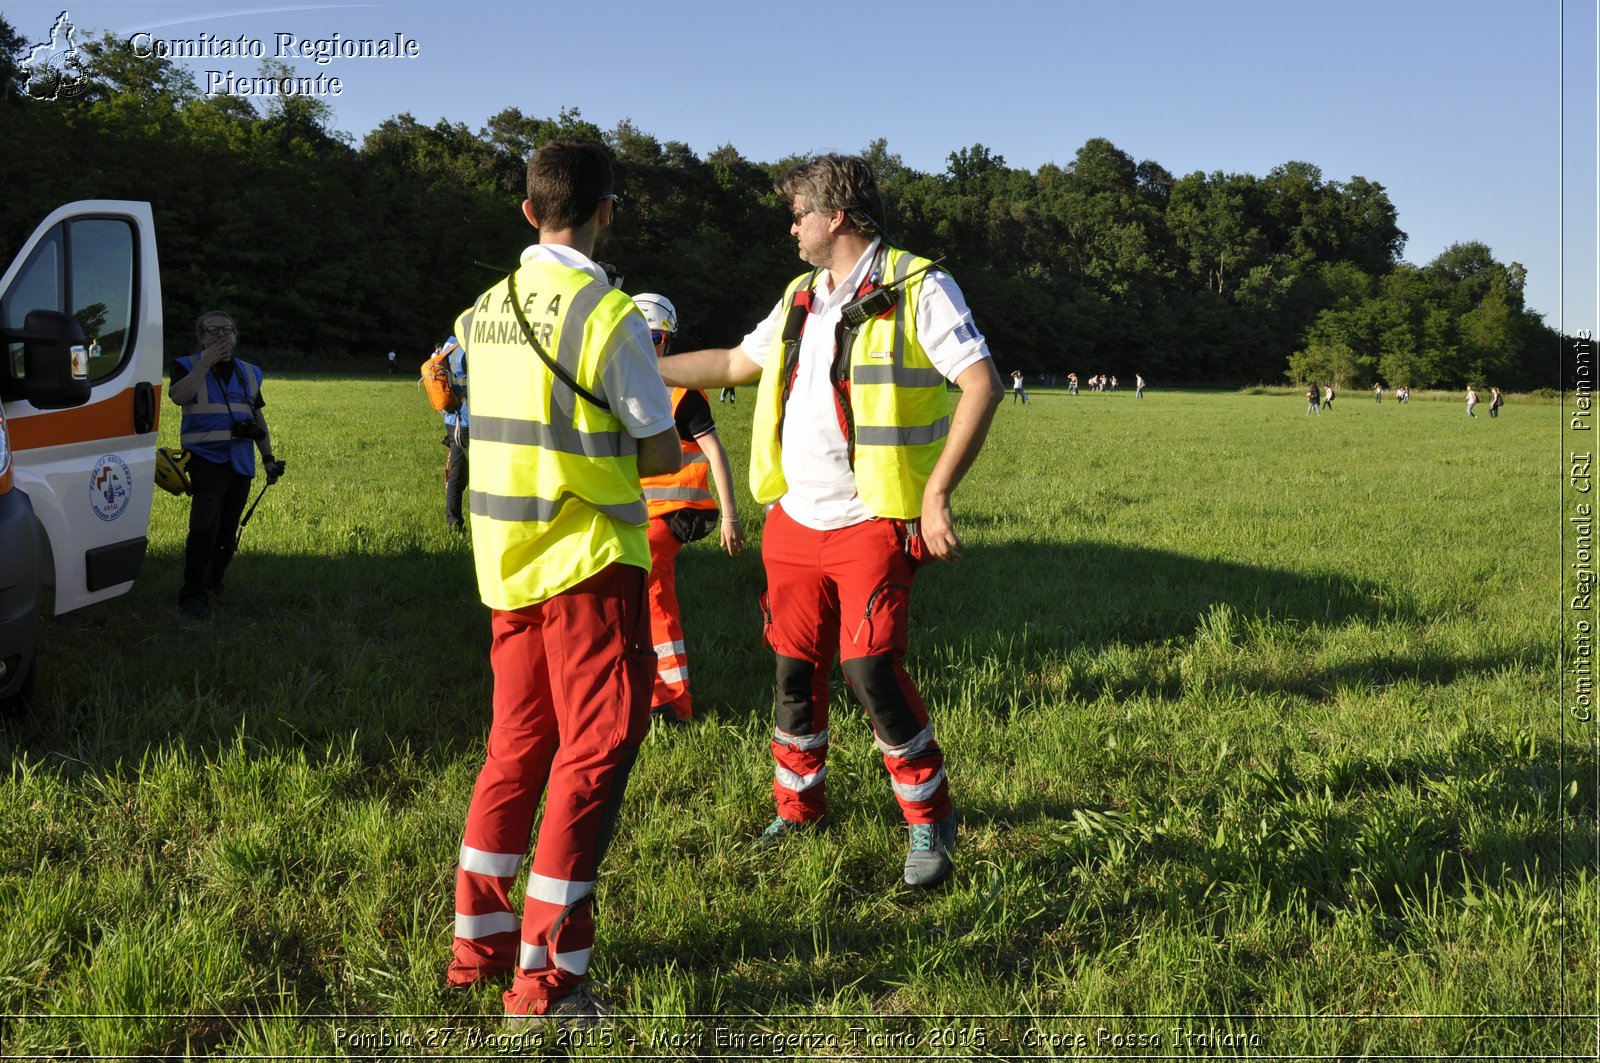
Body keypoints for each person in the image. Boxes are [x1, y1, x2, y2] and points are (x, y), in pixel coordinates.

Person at [656, 153, 1002, 890]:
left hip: (873, 519)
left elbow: (981, 382)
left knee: (869, 668)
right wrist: (638, 367)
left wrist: (937, 492)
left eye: (798, 214)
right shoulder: (800, 295)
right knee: (792, 668)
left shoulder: (918, 284)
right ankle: (799, 806)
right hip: (793, 519)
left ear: (835, 216)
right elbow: (732, 363)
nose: (792, 227)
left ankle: (928, 818)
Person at [445, 139, 682, 1025]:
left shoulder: (484, 307)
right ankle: (550, 981)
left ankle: (477, 950)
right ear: (607, 210)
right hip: (586, 563)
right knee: (592, 758)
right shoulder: (608, 311)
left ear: (528, 211)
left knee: (513, 753)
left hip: (505, 566)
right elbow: (657, 447)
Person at [632, 292, 745, 724]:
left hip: (671, 513)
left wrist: (731, 516)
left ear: (668, 339)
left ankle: (671, 702)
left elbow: (715, 452)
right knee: (645, 598)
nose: (650, 346)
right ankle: (648, 690)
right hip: (637, 513)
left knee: (651, 597)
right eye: (640, 337)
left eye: (657, 337)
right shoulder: (624, 383)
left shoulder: (682, 392)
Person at [168, 311, 283, 620]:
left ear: (235, 336)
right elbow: (179, 397)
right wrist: (205, 362)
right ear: (202, 337)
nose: (221, 335)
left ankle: (214, 583)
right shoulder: (186, 366)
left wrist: (268, 459)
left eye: (227, 330)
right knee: (204, 528)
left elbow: (258, 418)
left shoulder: (249, 372)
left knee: (228, 530)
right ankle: (192, 594)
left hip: (241, 462)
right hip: (206, 460)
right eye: (213, 330)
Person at [440, 335, 469, 530]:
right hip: (470, 421)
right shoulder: (470, 347)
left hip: (452, 418)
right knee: (483, 475)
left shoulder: (450, 344)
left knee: (457, 476)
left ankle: (454, 523)